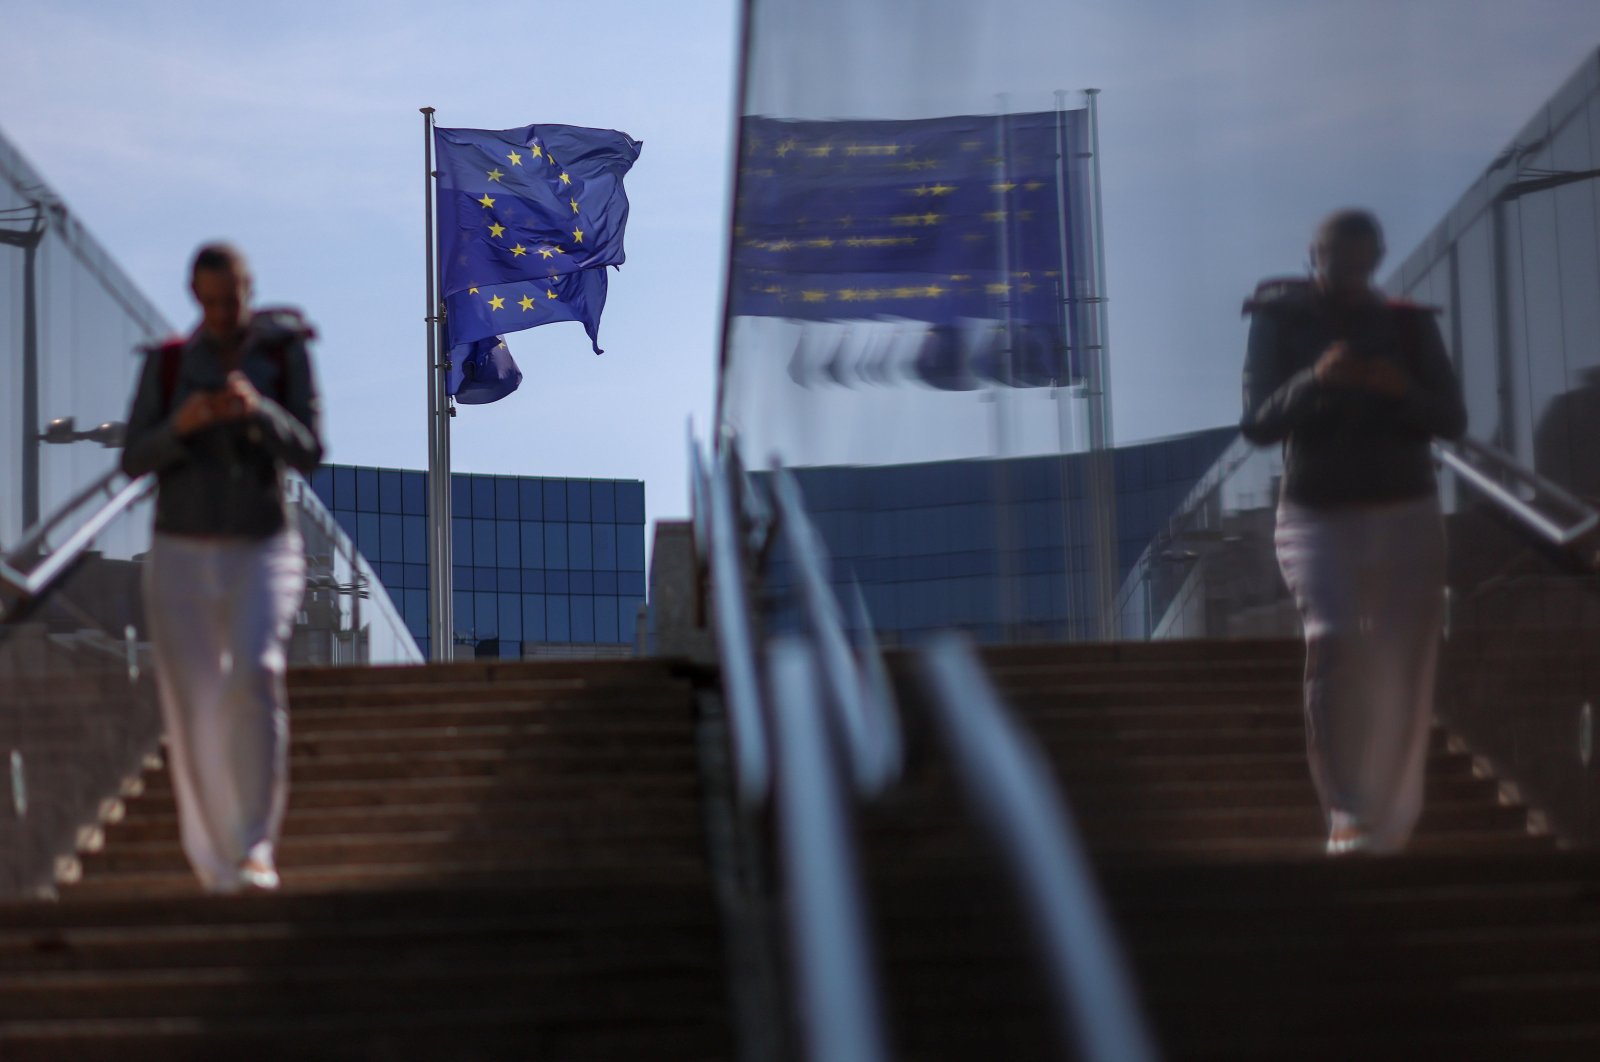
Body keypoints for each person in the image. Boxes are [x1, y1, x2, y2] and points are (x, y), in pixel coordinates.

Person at [1240, 209, 1467, 855]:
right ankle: (1347, 812)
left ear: (1377, 258)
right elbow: (1256, 422)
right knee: (1335, 638)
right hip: (1317, 509)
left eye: (1360, 263)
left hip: (1407, 508)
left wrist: (1398, 389)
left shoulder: (1409, 324)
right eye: (1334, 263)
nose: (1345, 276)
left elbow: (1450, 418)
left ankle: (1389, 822)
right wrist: (1317, 379)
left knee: (1402, 662)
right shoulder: (1277, 318)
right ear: (1313, 257)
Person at [121, 243, 323, 892]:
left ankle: (254, 847)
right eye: (209, 300)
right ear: (194, 296)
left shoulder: (284, 353)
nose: (222, 311)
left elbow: (312, 450)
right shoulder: (170, 363)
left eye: (231, 298)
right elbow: (134, 457)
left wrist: (257, 411)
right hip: (180, 548)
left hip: (261, 541)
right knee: (195, 706)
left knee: (255, 672)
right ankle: (216, 864)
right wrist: (183, 423)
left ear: (248, 289)